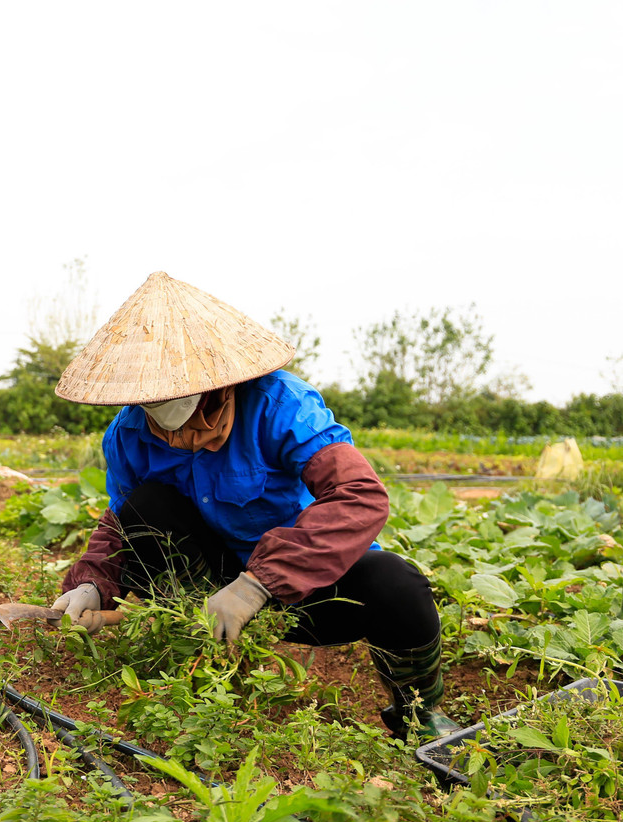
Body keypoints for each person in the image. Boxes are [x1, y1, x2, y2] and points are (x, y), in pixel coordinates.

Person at [49, 272, 458, 743]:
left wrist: (258, 584)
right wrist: (91, 583)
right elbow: (122, 522)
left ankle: (419, 714)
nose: (182, 440)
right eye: (166, 426)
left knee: (395, 583)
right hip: (206, 593)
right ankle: (202, 662)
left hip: (303, 587)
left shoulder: (281, 405)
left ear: (222, 389)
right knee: (145, 506)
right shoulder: (127, 435)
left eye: (194, 422)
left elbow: (359, 496)